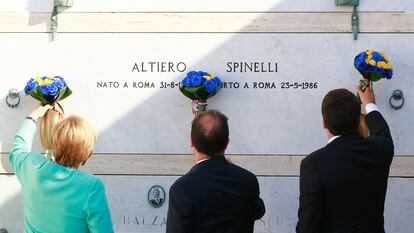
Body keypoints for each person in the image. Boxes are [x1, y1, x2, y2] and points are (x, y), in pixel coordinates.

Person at [296, 87, 394, 233]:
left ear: (324, 123)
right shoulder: (380, 150)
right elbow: (382, 132)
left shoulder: (313, 164)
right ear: (358, 120)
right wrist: (370, 104)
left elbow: (308, 225)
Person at [9, 105, 113, 233]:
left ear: (55, 143)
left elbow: (17, 149)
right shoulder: (91, 187)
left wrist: (33, 116)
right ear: (86, 153)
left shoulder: (30, 166)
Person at [166, 110, 266, 233]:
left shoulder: (182, 189)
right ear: (227, 143)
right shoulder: (247, 179)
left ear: (191, 141)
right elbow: (259, 211)